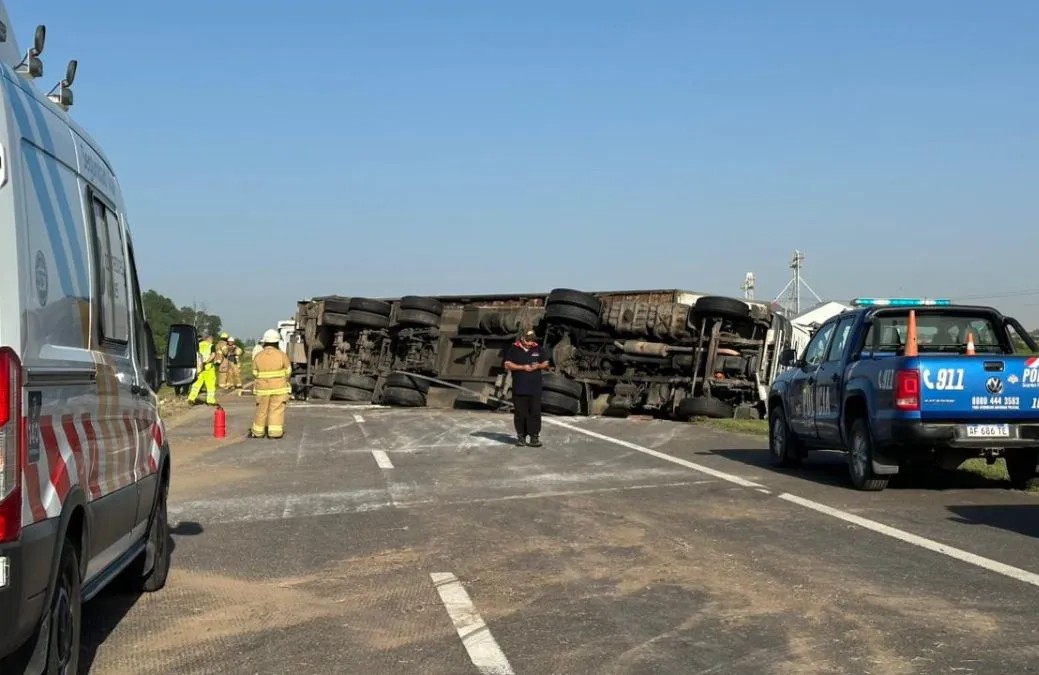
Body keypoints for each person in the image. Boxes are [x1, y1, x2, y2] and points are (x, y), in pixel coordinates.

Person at [503, 329, 550, 447]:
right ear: (522, 338)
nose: (530, 343)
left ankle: (534, 437)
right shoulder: (514, 349)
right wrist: (522, 367)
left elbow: (546, 363)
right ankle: (521, 437)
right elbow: (507, 364)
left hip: (535, 389)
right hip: (519, 388)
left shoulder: (538, 348)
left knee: (535, 413)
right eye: (528, 340)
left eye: (532, 340)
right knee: (520, 413)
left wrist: (538, 365)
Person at [250, 328, 292, 439]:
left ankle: (258, 432)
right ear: (277, 342)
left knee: (261, 410)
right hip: (279, 389)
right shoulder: (282, 355)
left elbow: (254, 373)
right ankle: (275, 433)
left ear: (264, 342)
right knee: (276, 410)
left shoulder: (258, 356)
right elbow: (288, 371)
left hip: (262, 389)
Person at [187, 330, 219, 406]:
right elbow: (213, 355)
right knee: (210, 386)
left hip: (199, 368)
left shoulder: (198, 345)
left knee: (196, 385)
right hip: (208, 368)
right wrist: (206, 362)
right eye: (212, 340)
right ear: (209, 339)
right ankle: (210, 401)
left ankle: (191, 399)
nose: (212, 341)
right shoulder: (211, 346)